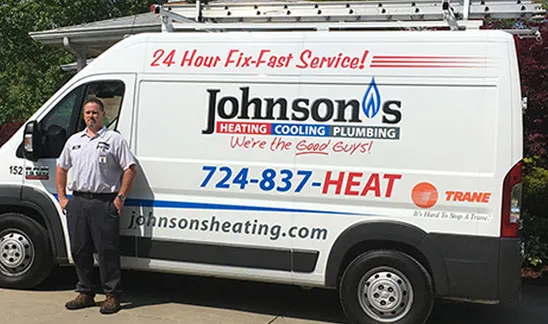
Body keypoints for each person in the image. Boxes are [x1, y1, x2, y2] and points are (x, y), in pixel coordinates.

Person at [56, 98, 137, 315]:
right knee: (79, 249)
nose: (91, 116)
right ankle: (85, 292)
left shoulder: (114, 140)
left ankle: (112, 295)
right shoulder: (74, 141)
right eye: (88, 113)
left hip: (104, 202)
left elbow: (130, 169)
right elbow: (62, 168)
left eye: (95, 113)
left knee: (107, 251)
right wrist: (63, 198)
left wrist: (120, 198)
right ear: (84, 116)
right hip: (79, 202)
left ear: (103, 115)